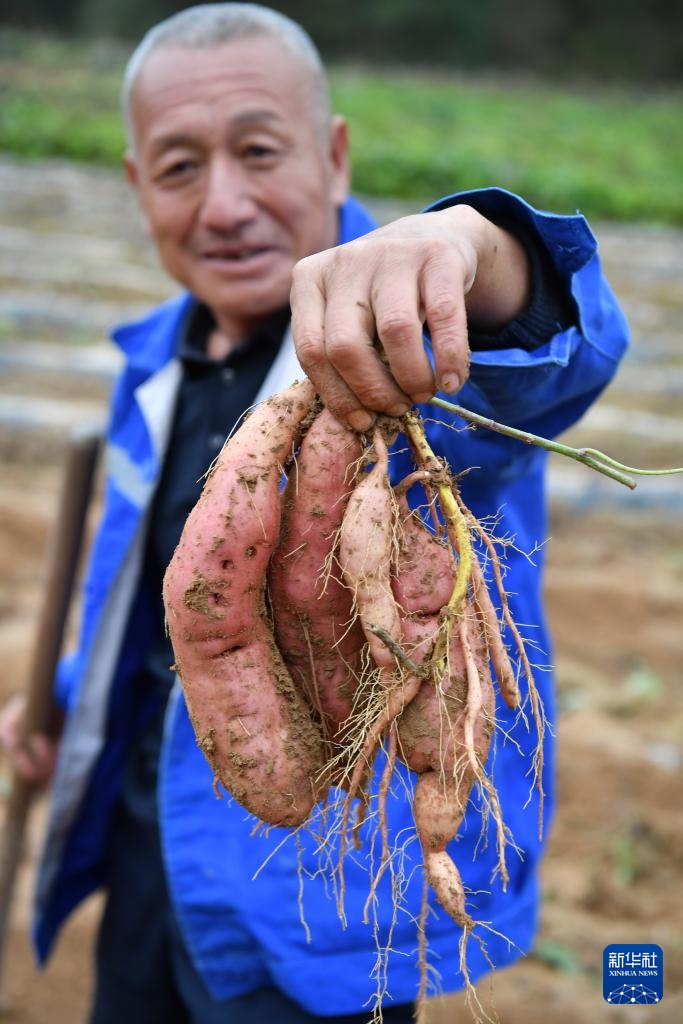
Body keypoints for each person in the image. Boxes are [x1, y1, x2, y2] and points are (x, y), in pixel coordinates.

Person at [0, 4, 629, 1022]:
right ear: (134, 188)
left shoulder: (408, 356)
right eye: (177, 169)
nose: (224, 204)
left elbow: (556, 353)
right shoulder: (151, 361)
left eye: (258, 151)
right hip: (147, 846)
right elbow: (159, 588)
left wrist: (473, 244)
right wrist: (69, 696)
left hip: (319, 906)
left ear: (333, 157)